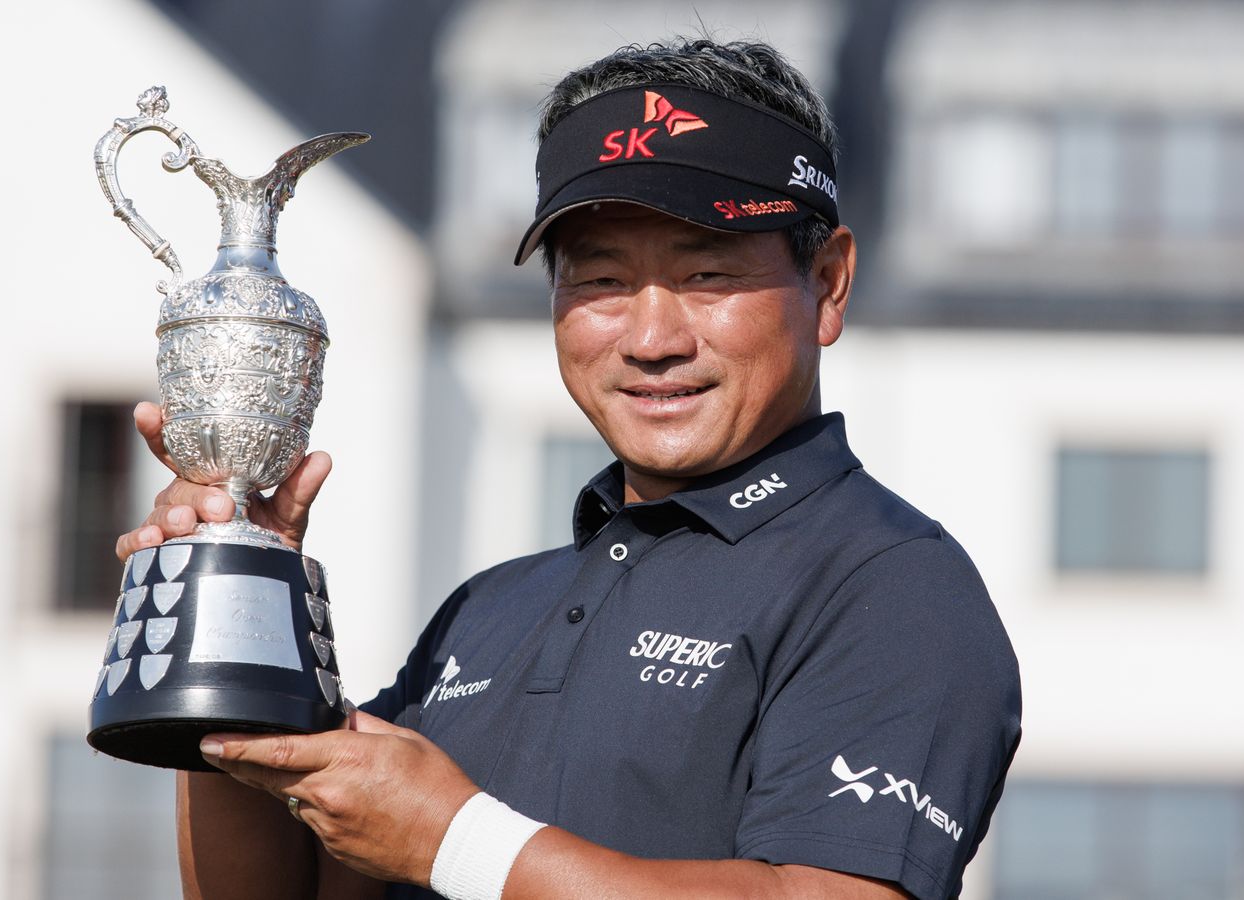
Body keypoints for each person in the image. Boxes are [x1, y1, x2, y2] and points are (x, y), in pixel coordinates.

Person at [116, 38, 1021, 900]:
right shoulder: (489, 609)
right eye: (602, 282)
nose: (654, 339)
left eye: (708, 275)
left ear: (827, 283)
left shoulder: (891, 586)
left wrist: (456, 839)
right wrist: (242, 609)